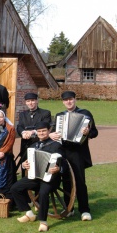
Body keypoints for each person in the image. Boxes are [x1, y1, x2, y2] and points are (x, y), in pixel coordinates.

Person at [49, 91, 98, 221]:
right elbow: (53, 132)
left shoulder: (85, 113)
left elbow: (95, 132)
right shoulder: (60, 116)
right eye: (66, 100)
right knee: (66, 180)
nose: (68, 102)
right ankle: (69, 208)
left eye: (70, 99)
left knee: (80, 181)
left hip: (78, 151)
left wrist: (88, 132)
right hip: (64, 150)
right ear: (63, 102)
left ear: (75, 99)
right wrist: (51, 135)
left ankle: (85, 210)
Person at [11, 121, 64, 232]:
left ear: (49, 131)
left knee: (44, 192)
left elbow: (64, 163)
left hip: (50, 178)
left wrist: (58, 169)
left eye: (44, 131)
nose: (41, 133)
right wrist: (24, 165)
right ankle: (29, 213)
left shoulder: (56, 145)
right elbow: (26, 161)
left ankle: (43, 222)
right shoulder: (33, 146)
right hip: (35, 177)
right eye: (39, 131)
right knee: (15, 188)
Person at [16, 92, 51, 175]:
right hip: (26, 144)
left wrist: (32, 132)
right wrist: (23, 132)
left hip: (39, 144)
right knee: (25, 166)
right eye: (28, 101)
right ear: (25, 102)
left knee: (39, 167)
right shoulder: (23, 114)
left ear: (37, 101)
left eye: (32, 100)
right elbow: (19, 126)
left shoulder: (45, 113)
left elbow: (45, 126)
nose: (30, 103)